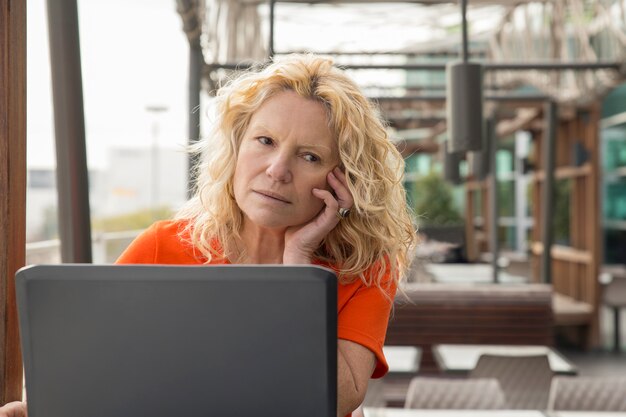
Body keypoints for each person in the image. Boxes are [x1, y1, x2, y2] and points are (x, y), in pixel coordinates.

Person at [1, 54, 416, 417]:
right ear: (236, 148)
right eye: (265, 141)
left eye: (309, 156)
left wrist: (298, 267)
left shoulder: (366, 265)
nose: (276, 169)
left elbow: (337, 398)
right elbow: (97, 374)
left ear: (342, 180)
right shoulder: (164, 246)